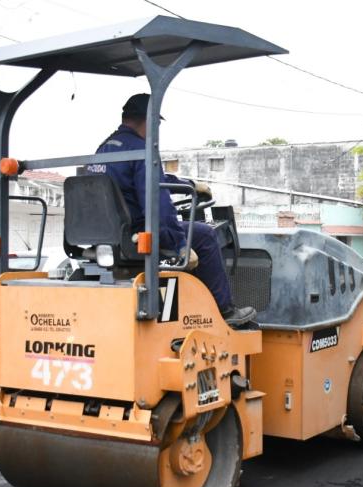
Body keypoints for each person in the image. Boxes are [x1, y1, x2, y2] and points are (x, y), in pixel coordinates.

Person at [85, 93, 256, 326]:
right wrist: (179, 245)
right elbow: (158, 205)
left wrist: (190, 186)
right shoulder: (141, 150)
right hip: (134, 233)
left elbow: (155, 180)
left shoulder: (103, 150)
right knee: (204, 235)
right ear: (150, 120)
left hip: (106, 235)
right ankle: (225, 311)